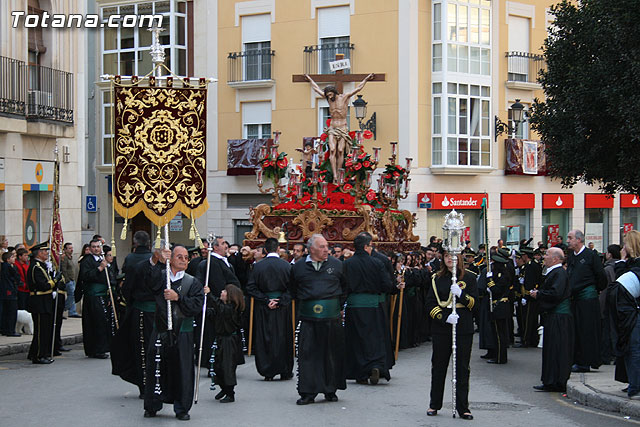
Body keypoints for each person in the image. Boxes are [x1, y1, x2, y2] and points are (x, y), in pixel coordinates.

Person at [143, 245, 204, 420]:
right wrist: (156, 260)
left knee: (183, 369)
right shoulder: (161, 277)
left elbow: (197, 306)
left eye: (186, 257)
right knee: (156, 366)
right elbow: (149, 283)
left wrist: (179, 298)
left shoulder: (192, 282)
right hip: (161, 328)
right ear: (171, 258)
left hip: (183, 330)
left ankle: (182, 408)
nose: (184, 260)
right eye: (179, 256)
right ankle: (152, 404)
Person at [289, 234, 347, 405]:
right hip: (308, 318)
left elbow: (345, 287)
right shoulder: (298, 267)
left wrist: (337, 305)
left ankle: (330, 389)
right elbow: (293, 288)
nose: (326, 250)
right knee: (308, 355)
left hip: (331, 318)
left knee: (331, 354)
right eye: (322, 247)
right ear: (311, 249)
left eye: (326, 246)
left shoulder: (337, 265)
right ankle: (308, 391)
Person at [425, 250, 477, 419]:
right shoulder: (436, 278)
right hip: (442, 327)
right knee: (439, 366)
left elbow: (474, 303)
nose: (450, 259)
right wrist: (445, 317)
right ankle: (434, 404)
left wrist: (461, 295)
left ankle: (463, 407)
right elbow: (430, 304)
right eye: (447, 256)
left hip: (463, 326)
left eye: (453, 256)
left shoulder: (469, 277)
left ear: (460, 258)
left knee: (462, 367)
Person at [111, 242, 163, 399]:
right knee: (143, 350)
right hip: (142, 313)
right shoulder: (139, 267)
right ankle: (144, 384)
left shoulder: (169, 268)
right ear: (156, 253)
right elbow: (127, 289)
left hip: (161, 314)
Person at [343, 233, 394, 384]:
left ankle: (360, 372)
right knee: (374, 338)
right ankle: (375, 365)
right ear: (366, 247)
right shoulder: (377, 263)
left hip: (353, 307)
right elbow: (387, 285)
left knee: (356, 340)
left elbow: (343, 286)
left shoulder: (347, 264)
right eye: (371, 245)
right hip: (373, 306)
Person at [305, 73, 374, 182]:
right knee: (332, 149)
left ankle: (339, 173)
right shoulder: (328, 99)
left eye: (331, 94)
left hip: (342, 128)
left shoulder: (344, 97)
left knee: (340, 150)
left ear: (335, 92)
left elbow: (358, 88)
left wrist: (366, 79)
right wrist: (309, 79)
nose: (329, 97)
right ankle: (335, 175)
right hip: (332, 128)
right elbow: (316, 89)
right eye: (328, 95)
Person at [246, 237, 293, 381]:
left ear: (265, 250)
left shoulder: (258, 266)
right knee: (283, 336)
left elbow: (251, 287)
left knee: (265, 336)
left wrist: (266, 300)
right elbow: (293, 288)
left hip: (264, 307)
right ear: (278, 249)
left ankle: (267, 370)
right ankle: (285, 369)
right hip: (282, 307)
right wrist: (280, 301)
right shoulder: (287, 266)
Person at [530, 247, 573, 392]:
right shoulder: (554, 273)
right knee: (551, 349)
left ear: (555, 258)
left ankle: (557, 381)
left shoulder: (559, 273)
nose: (544, 257)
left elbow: (555, 293)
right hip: (553, 316)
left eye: (547, 254)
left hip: (559, 317)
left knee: (557, 349)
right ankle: (550, 380)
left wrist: (539, 294)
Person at [195, 236, 241, 367]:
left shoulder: (224, 261)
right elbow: (218, 283)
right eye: (222, 243)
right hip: (219, 305)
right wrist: (222, 299)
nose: (226, 245)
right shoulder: (213, 262)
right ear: (215, 247)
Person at [567, 229, 606, 372]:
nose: (568, 240)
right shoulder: (571, 256)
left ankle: (586, 361)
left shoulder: (591, 255)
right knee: (577, 330)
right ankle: (577, 359)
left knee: (587, 330)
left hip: (587, 299)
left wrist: (595, 290)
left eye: (570, 238)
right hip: (575, 299)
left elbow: (601, 276)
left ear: (579, 240)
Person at [206, 284, 245, 403]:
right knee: (217, 365)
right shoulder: (223, 308)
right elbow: (215, 313)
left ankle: (230, 392)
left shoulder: (232, 309)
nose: (222, 292)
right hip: (220, 339)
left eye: (224, 291)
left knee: (227, 366)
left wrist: (209, 295)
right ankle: (223, 387)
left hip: (229, 341)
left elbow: (219, 309)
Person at [78, 239, 115, 359]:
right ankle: (95, 349)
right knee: (95, 322)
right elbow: (85, 276)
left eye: (98, 247)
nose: (96, 249)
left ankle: (103, 347)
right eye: (93, 247)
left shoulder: (102, 259)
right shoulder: (86, 261)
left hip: (103, 294)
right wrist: (99, 268)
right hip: (93, 296)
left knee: (103, 321)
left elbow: (109, 278)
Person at [26, 242, 63, 364]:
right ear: (40, 253)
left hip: (45, 301)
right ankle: (39, 355)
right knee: (41, 330)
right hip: (39, 301)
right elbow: (43, 285)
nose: (47, 254)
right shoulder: (36, 267)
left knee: (45, 329)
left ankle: (36, 352)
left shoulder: (42, 266)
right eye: (45, 252)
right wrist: (55, 280)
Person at [516, 248, 542, 348]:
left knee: (528, 319)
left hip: (530, 296)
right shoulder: (530, 265)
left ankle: (526, 340)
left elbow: (531, 282)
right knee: (529, 319)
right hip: (529, 295)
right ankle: (531, 339)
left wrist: (526, 296)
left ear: (525, 255)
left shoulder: (531, 266)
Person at [0, 251, 21, 336]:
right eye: (12, 257)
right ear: (8, 259)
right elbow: (16, 276)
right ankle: (10, 330)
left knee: (6, 312)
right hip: (9, 291)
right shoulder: (8, 267)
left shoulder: (5, 266)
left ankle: (6, 329)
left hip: (6, 291)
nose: (14, 259)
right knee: (11, 312)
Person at [60, 242, 80, 318]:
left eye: (72, 248)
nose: (71, 250)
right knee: (71, 295)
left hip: (72, 279)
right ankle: (63, 308)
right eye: (69, 248)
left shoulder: (70, 257)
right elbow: (64, 269)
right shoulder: (64, 258)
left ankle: (72, 311)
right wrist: (67, 280)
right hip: (68, 280)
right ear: (65, 249)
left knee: (73, 295)